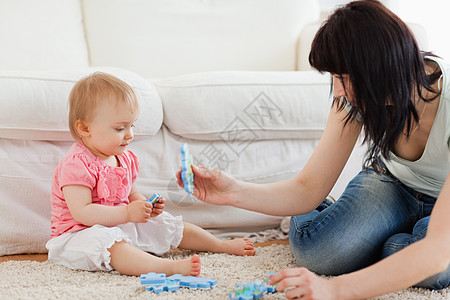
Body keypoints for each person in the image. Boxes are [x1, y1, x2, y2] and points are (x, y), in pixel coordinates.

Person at [176, 1, 450, 298]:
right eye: (334, 77)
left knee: (434, 269)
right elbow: (308, 189)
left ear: (381, 68)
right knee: (320, 251)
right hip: (391, 185)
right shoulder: (355, 98)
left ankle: (391, 242)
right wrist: (232, 192)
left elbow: (436, 252)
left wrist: (333, 290)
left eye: (344, 78)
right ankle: (345, 220)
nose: (338, 91)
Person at [45, 72, 255, 277]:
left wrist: (145, 207)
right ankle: (165, 268)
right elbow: (83, 212)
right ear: (84, 128)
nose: (130, 134)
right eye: (120, 128)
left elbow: (131, 193)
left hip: (117, 223)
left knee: (166, 223)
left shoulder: (124, 158)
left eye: (131, 125)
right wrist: (128, 214)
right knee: (112, 246)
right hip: (77, 236)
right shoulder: (76, 165)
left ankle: (219, 245)